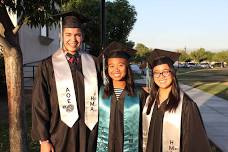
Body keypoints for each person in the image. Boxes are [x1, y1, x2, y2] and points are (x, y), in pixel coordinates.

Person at [31, 11, 101, 152]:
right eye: (68, 34)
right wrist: (43, 140)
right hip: (59, 133)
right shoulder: (47, 65)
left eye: (77, 35)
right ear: (61, 36)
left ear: (82, 36)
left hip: (89, 132)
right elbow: (40, 104)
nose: (73, 39)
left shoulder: (93, 63)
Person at [142, 56, 211, 152]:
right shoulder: (150, 101)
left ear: (173, 73)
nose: (161, 76)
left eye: (165, 71)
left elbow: (194, 144)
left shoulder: (187, 105)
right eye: (156, 73)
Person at [96, 42, 142, 152]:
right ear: (107, 69)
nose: (116, 70)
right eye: (111, 66)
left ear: (127, 67)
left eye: (120, 65)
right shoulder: (99, 91)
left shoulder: (139, 94)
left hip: (130, 146)